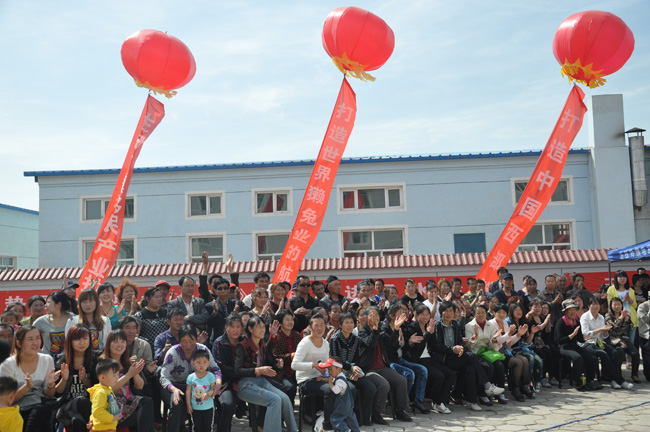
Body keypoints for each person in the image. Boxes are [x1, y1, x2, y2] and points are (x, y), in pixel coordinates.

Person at [433, 302, 504, 411]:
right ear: (441, 312)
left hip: (457, 356)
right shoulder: (437, 325)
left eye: (451, 311)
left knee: (470, 369)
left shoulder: (455, 324)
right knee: (471, 356)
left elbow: (460, 341)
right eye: (445, 311)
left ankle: (472, 401)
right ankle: (487, 385)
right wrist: (452, 349)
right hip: (445, 358)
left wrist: (460, 347)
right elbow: (437, 346)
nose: (448, 313)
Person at [235, 315, 297, 432]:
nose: (262, 329)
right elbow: (237, 371)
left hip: (261, 382)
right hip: (244, 385)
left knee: (285, 399)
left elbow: (269, 363)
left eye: (263, 326)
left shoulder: (262, 345)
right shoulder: (242, 346)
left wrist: (277, 365)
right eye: (259, 327)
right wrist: (257, 371)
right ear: (250, 329)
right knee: (275, 400)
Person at [160, 324, 222, 432]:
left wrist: (218, 382)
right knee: (177, 404)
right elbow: (164, 377)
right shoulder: (173, 352)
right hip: (175, 388)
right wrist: (173, 389)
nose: (188, 345)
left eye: (191, 340)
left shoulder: (203, 349)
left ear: (196, 338)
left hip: (198, 388)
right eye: (184, 341)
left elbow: (215, 369)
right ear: (179, 340)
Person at [357, 307, 413, 422]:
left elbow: (391, 344)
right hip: (368, 369)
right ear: (366, 318)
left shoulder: (381, 330)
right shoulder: (362, 332)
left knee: (401, 380)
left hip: (382, 367)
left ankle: (400, 411)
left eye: (376, 315)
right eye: (371, 315)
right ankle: (377, 414)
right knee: (384, 384)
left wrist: (396, 329)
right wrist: (375, 330)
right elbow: (371, 344)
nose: (375, 318)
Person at [0, 326, 58, 431]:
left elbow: (49, 395)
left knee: (41, 411)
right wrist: (26, 388)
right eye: (30, 339)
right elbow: (6, 401)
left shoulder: (47, 360)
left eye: (37, 338)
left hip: (39, 406)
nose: (35, 343)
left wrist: (50, 384)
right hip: (17, 410)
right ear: (19, 343)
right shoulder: (7, 365)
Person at [329, 312, 381, 426]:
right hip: (337, 372)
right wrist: (351, 367)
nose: (349, 325)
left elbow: (358, 358)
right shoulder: (335, 339)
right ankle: (348, 419)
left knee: (370, 387)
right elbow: (335, 360)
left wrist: (355, 370)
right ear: (341, 325)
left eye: (351, 322)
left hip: (352, 370)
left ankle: (364, 419)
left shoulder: (355, 339)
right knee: (351, 389)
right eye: (346, 323)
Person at [403, 304, 455, 414]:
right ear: (416, 315)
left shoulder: (430, 327)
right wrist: (427, 333)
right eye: (422, 314)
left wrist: (452, 349)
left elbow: (435, 346)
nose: (425, 317)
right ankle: (436, 403)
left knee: (450, 374)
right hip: (417, 359)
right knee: (439, 376)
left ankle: (442, 402)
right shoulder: (411, 328)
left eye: (427, 314)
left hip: (429, 358)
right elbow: (416, 349)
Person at [100, 329, 154, 432]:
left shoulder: (126, 361)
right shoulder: (103, 363)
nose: (119, 345)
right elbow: (107, 389)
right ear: (108, 344)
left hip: (127, 403)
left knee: (147, 402)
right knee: (144, 415)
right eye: (115, 341)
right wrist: (129, 375)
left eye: (122, 341)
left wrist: (135, 372)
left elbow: (140, 386)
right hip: (110, 406)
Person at [382, 303, 430, 413]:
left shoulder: (403, 327)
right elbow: (389, 349)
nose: (403, 316)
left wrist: (407, 342)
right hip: (390, 362)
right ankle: (402, 404)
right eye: (399, 314)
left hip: (400, 359)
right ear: (392, 316)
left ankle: (418, 401)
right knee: (409, 374)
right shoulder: (385, 329)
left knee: (422, 370)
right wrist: (398, 338)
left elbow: (405, 348)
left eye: (404, 313)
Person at [292, 313, 335, 429]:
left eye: (322, 325)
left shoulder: (326, 344)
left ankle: (335, 420)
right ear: (310, 327)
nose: (320, 328)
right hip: (306, 380)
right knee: (330, 390)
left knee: (342, 386)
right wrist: (313, 365)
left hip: (320, 379)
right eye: (316, 325)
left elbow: (326, 364)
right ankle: (326, 425)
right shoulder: (305, 343)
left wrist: (326, 373)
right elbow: (294, 364)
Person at [580, 298, 633, 390]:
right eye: (593, 304)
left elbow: (604, 336)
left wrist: (605, 332)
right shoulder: (585, 317)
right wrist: (601, 329)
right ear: (589, 306)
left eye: (597, 304)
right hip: (588, 343)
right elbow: (585, 334)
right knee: (604, 354)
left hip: (599, 342)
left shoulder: (601, 317)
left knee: (615, 352)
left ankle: (614, 380)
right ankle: (620, 381)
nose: (596, 306)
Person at [53, 323, 94, 432]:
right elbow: (57, 392)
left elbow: (96, 387)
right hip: (66, 408)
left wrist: (85, 380)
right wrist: (64, 379)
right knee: (80, 401)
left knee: (78, 420)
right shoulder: (60, 360)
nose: (82, 343)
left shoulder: (94, 359)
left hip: (89, 406)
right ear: (70, 341)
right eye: (77, 339)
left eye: (85, 339)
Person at [465, 304, 508, 405]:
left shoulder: (490, 325)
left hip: (487, 352)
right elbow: (469, 346)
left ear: (486, 313)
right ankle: (483, 394)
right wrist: (475, 337)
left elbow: (491, 346)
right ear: (474, 314)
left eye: (483, 313)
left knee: (500, 366)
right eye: (478, 313)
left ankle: (500, 393)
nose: (480, 315)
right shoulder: (469, 326)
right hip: (475, 352)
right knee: (488, 367)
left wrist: (494, 340)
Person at [554, 299, 600, 391]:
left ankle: (589, 380)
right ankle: (576, 382)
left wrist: (584, 339)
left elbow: (579, 338)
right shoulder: (560, 322)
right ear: (565, 311)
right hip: (564, 347)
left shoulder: (576, 322)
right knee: (577, 358)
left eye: (574, 309)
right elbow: (558, 340)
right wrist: (571, 336)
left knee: (592, 358)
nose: (573, 312)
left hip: (574, 346)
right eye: (570, 310)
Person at [489, 304, 531, 401]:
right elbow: (495, 341)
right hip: (494, 353)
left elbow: (509, 342)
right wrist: (508, 334)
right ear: (494, 313)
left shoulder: (505, 324)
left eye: (504, 312)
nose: (501, 314)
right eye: (499, 312)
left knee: (524, 360)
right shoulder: (491, 324)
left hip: (503, 353)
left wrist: (519, 335)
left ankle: (522, 387)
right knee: (518, 362)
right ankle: (515, 389)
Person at [212, 314, 245, 432]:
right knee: (228, 405)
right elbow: (222, 368)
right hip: (224, 382)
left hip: (243, 380)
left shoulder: (244, 341)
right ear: (226, 328)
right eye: (232, 327)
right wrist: (242, 374)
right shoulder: (219, 342)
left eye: (238, 327)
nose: (235, 330)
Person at [319, 357, 361, 432]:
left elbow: (336, 391)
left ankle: (346, 430)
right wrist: (322, 379)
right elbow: (330, 379)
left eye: (331, 369)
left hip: (343, 405)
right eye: (328, 370)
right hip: (348, 404)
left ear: (339, 369)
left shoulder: (340, 380)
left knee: (335, 419)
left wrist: (330, 384)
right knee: (351, 419)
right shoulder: (339, 376)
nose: (329, 372)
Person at [605, 297, 641, 383]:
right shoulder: (608, 315)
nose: (617, 306)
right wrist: (621, 317)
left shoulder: (625, 315)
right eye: (614, 304)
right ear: (611, 306)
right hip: (613, 339)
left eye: (619, 304)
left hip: (624, 339)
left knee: (635, 353)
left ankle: (634, 375)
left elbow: (632, 326)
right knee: (620, 353)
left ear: (622, 305)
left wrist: (627, 319)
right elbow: (613, 327)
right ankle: (618, 376)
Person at [65, 289, 111, 354]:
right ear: (79, 304)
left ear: (96, 302)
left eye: (91, 301)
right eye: (84, 301)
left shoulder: (106, 321)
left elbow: (108, 343)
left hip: (100, 358)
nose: (88, 304)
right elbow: (68, 343)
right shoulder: (72, 321)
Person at [269, 309, 301, 403]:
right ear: (280, 322)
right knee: (290, 388)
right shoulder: (276, 337)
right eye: (287, 319)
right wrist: (290, 356)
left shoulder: (297, 336)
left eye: (291, 319)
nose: (290, 322)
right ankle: (287, 412)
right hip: (283, 372)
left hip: (298, 370)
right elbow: (275, 356)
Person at [206, 277, 246, 344]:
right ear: (215, 291)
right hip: (217, 341)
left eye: (225, 288)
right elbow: (210, 325)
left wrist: (235, 314)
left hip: (236, 340)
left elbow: (244, 321)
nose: (223, 291)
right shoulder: (210, 306)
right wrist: (215, 312)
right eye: (220, 288)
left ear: (229, 290)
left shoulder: (237, 304)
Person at [186, 350, 217, 432]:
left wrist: (209, 393)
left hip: (208, 407)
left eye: (204, 362)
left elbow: (213, 388)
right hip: (195, 408)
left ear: (208, 363)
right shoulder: (191, 377)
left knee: (207, 427)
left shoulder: (211, 376)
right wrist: (188, 404)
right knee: (196, 427)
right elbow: (188, 391)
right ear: (193, 363)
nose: (201, 365)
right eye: (198, 362)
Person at [34, 291, 73, 357]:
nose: (45, 305)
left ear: (58, 305)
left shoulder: (73, 319)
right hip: (48, 363)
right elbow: (28, 336)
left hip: (70, 361)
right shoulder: (40, 321)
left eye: (48, 302)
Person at [88, 359, 122, 432]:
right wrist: (112, 418)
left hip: (107, 427)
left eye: (118, 375)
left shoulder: (107, 389)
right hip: (101, 429)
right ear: (102, 377)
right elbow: (97, 411)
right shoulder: (101, 392)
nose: (117, 378)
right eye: (114, 375)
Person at [607, 270, 639, 345]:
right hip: (618, 319)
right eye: (620, 277)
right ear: (616, 278)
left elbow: (635, 305)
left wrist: (629, 298)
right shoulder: (611, 289)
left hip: (631, 318)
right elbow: (610, 304)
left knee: (631, 342)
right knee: (620, 342)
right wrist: (623, 301)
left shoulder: (630, 290)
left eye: (624, 277)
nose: (623, 279)